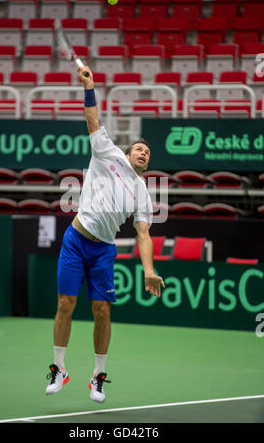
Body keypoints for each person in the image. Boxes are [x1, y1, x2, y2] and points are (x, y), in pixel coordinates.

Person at [46, 65, 165, 403]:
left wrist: (149, 270)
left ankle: (98, 376)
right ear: (129, 153)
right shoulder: (106, 152)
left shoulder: (143, 191)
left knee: (102, 311)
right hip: (75, 240)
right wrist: (89, 87)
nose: (144, 153)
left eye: (148, 153)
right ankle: (59, 368)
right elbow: (92, 120)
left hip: (103, 251)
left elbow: (143, 234)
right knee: (65, 304)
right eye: (140, 149)